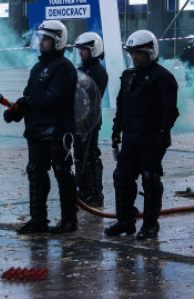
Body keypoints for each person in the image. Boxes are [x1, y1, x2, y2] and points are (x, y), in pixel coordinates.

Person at [3, 20, 78, 235]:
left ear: (57, 41)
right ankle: (38, 220)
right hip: (35, 132)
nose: (41, 42)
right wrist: (16, 111)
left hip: (57, 131)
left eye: (46, 38)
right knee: (35, 174)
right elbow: (30, 96)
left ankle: (69, 220)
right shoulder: (38, 68)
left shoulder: (64, 68)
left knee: (63, 174)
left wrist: (26, 103)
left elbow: (53, 98)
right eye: (41, 38)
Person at [106, 30, 180, 240]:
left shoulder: (163, 78)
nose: (134, 57)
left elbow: (170, 111)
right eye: (131, 53)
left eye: (138, 53)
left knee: (150, 179)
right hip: (131, 138)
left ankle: (150, 225)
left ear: (150, 52)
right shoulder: (128, 76)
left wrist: (161, 134)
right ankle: (125, 220)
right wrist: (116, 133)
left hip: (151, 139)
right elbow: (122, 107)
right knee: (122, 177)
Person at [73, 32, 108, 209]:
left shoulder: (98, 71)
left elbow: (93, 95)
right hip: (79, 119)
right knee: (79, 156)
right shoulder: (81, 69)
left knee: (91, 156)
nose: (81, 52)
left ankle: (95, 193)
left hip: (91, 120)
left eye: (84, 49)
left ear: (93, 50)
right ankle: (83, 190)